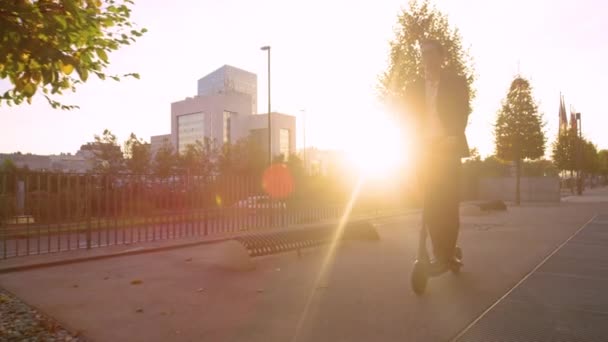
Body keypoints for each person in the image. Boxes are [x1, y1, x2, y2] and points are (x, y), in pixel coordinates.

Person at [406, 39, 470, 271]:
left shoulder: (455, 82)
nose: (428, 58)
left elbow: (462, 111)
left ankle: (446, 253)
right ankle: (440, 253)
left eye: (432, 53)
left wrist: (454, 134)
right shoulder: (414, 87)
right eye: (424, 54)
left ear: (442, 57)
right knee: (431, 204)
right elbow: (407, 116)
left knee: (449, 203)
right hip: (424, 150)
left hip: (447, 148)